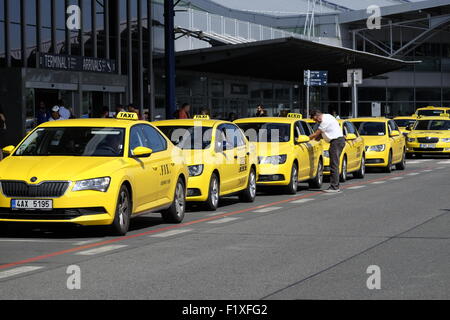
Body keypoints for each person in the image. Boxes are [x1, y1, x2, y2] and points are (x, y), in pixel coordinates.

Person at [309, 110, 345, 193]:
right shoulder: (328, 116)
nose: (315, 122)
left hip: (336, 142)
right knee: (334, 164)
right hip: (337, 141)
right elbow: (322, 135)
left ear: (317, 115)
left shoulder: (325, 121)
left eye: (315, 119)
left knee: (334, 164)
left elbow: (316, 134)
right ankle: (335, 185)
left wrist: (306, 139)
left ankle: (334, 187)